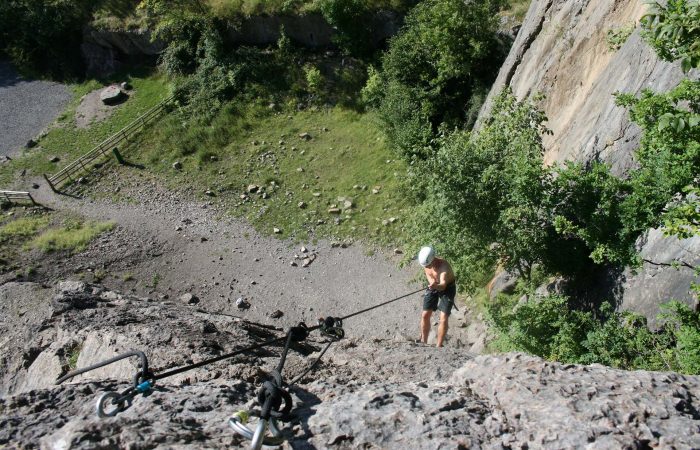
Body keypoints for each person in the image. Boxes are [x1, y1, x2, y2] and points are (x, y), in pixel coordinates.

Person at [418, 246, 456, 348]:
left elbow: (443, 285)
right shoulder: (426, 264)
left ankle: (438, 346)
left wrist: (436, 285)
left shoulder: (444, 268)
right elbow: (429, 276)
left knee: (443, 317)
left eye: (429, 264)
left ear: (433, 259)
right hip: (434, 285)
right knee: (425, 314)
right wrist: (432, 284)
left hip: (447, 288)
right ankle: (423, 342)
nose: (427, 267)